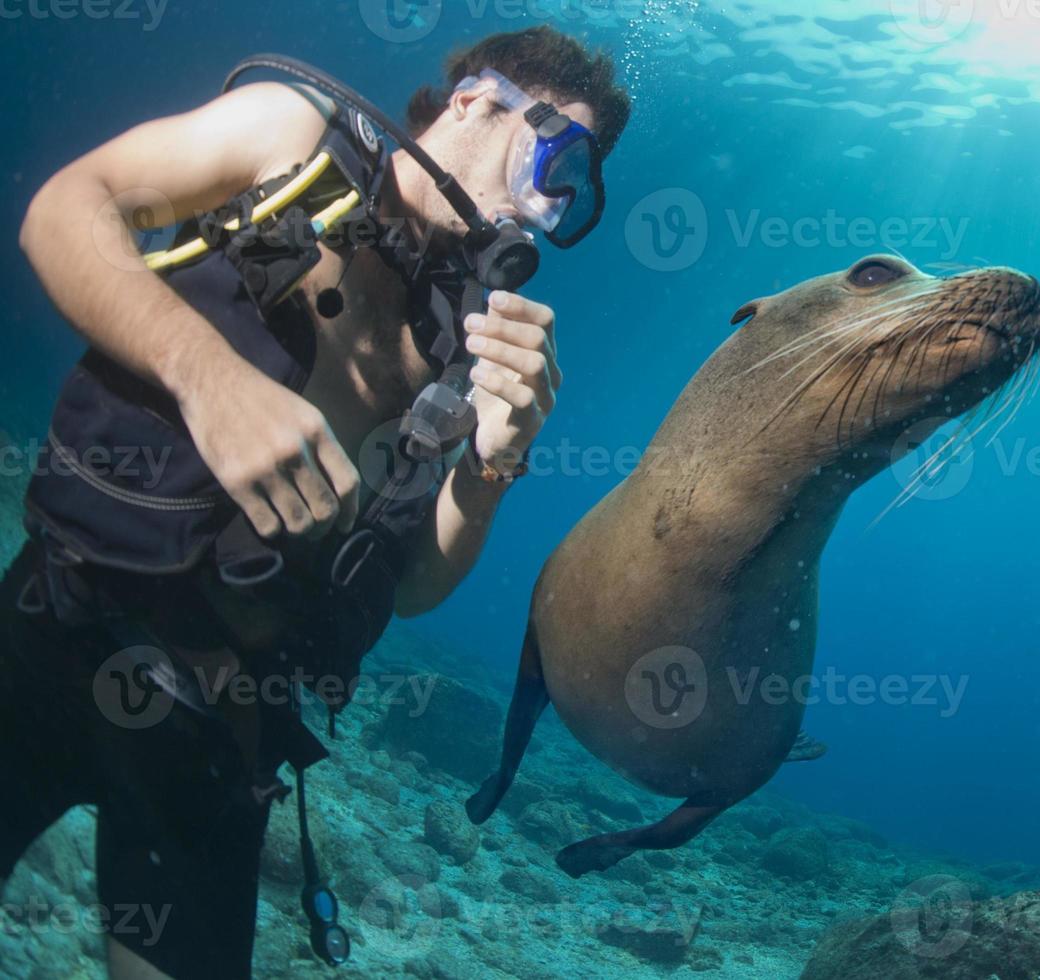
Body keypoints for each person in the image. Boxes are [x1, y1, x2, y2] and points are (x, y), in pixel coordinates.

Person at [2, 27, 630, 980]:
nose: (546, 209)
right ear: (474, 101)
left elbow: (410, 586)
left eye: (574, 194)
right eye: (555, 161)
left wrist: (492, 465)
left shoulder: (466, 333)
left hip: (226, 721)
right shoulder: (290, 133)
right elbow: (63, 210)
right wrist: (206, 376)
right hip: (59, 627)